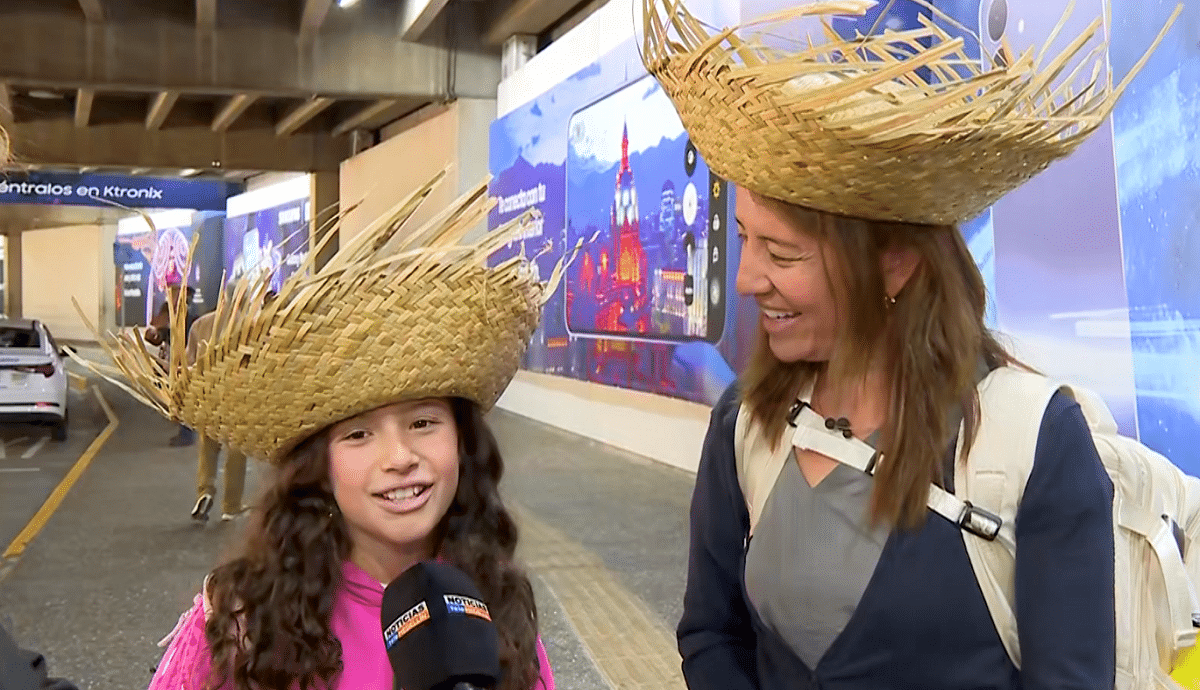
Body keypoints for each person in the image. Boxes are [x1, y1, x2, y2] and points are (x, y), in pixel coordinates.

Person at [636, 0, 1174, 687]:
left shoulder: (1033, 443)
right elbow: (711, 632)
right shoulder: (747, 425)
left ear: (894, 262)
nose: (745, 279)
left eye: (783, 253)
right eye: (745, 239)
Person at [76, 171, 557, 690]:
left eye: (423, 423)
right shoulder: (244, 623)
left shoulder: (498, 610)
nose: (399, 456)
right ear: (317, 467)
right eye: (357, 435)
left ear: (462, 445)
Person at [183, 291, 277, 523]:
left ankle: (205, 490)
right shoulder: (247, 326)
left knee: (208, 446)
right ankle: (231, 506)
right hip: (237, 395)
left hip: (207, 395)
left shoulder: (200, 324)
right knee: (236, 450)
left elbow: (189, 362)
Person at [147, 284, 199, 447]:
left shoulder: (191, 320)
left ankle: (187, 434)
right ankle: (186, 431)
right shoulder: (171, 316)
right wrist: (154, 335)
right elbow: (160, 335)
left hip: (186, 365)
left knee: (185, 398)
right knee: (180, 398)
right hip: (174, 365)